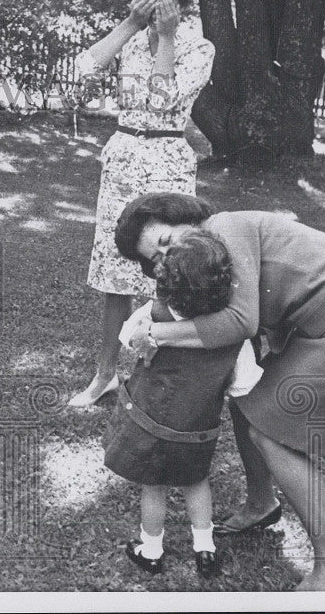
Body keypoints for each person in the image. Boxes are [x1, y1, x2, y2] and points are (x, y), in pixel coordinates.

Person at [114, 192, 325, 591]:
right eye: (157, 260)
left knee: (269, 432)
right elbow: (265, 315)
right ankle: (261, 504)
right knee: (248, 397)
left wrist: (154, 332)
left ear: (182, 217)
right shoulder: (210, 248)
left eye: (166, 242)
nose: (166, 259)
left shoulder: (223, 228)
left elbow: (239, 322)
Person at [68, 0, 215, 408]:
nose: (158, 3)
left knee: (165, 272)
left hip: (167, 161)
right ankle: (105, 376)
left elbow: (162, 104)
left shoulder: (199, 47)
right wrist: (131, 24)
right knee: (114, 272)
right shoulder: (130, 38)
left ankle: (151, 377)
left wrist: (168, 38)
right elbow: (82, 70)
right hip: (124, 156)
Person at [104, 231, 241, 579]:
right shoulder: (232, 335)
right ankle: (205, 550)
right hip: (199, 429)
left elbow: (128, 341)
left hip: (152, 424)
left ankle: (151, 551)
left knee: (155, 485)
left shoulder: (153, 314)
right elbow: (244, 382)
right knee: (197, 481)